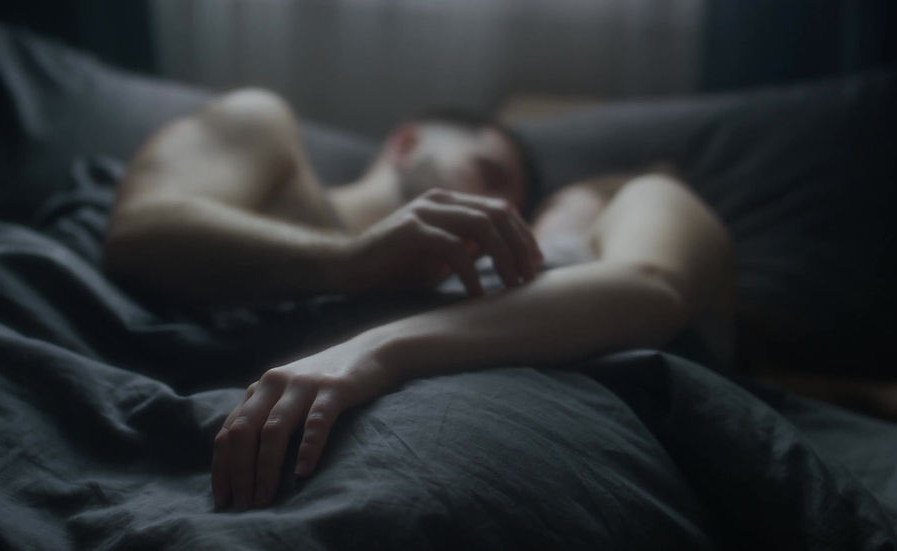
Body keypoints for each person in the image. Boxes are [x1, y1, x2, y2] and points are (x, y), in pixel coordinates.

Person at [103, 88, 734, 512]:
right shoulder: (262, 129)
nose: (499, 214)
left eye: (521, 212)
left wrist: (379, 344)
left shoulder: (503, 283)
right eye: (487, 175)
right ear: (406, 143)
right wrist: (350, 262)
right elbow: (140, 234)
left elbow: (649, 285)